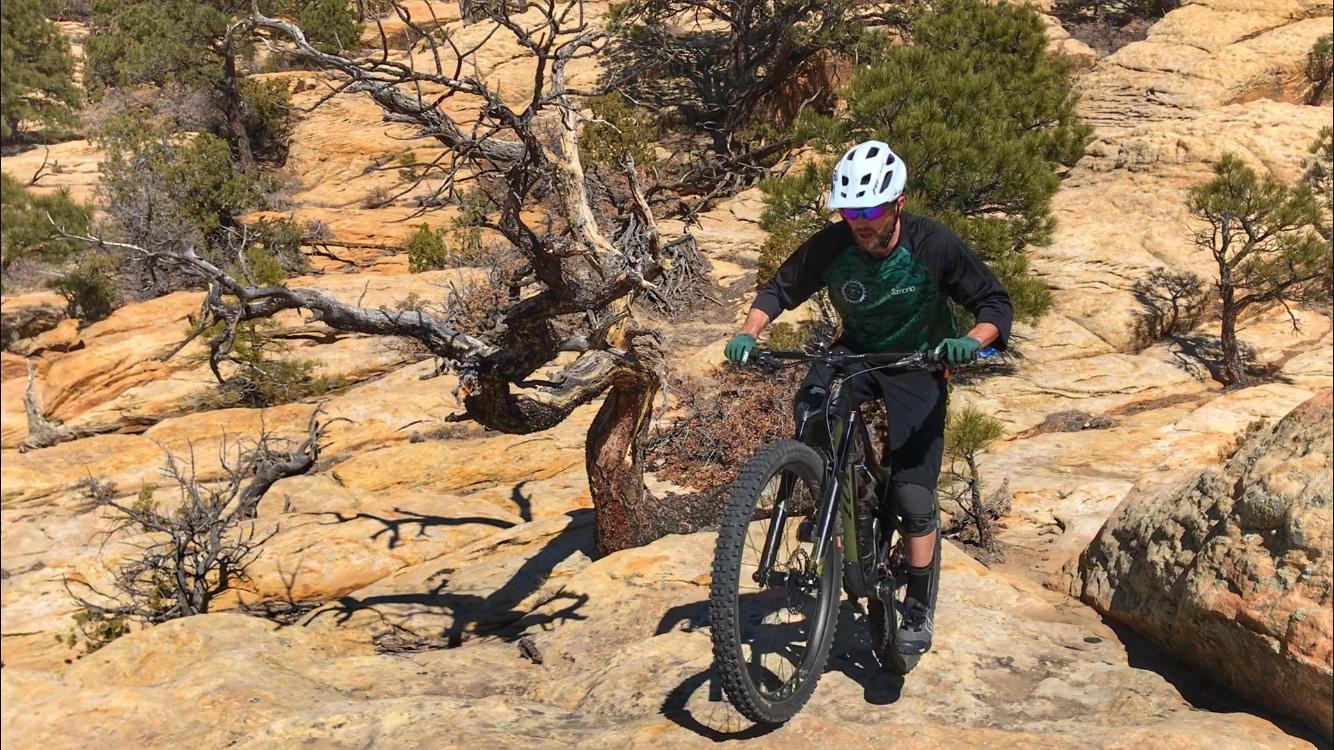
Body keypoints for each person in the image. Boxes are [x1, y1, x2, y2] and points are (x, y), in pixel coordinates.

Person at [723, 140, 1013, 656]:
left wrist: (970, 342)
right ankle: (835, 493)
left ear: (897, 203)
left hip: (918, 361)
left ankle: (919, 607)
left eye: (871, 210)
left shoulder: (932, 244)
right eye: (850, 209)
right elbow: (781, 288)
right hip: (856, 351)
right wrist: (750, 331)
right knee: (811, 406)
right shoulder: (834, 245)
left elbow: (994, 303)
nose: (860, 220)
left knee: (912, 497)